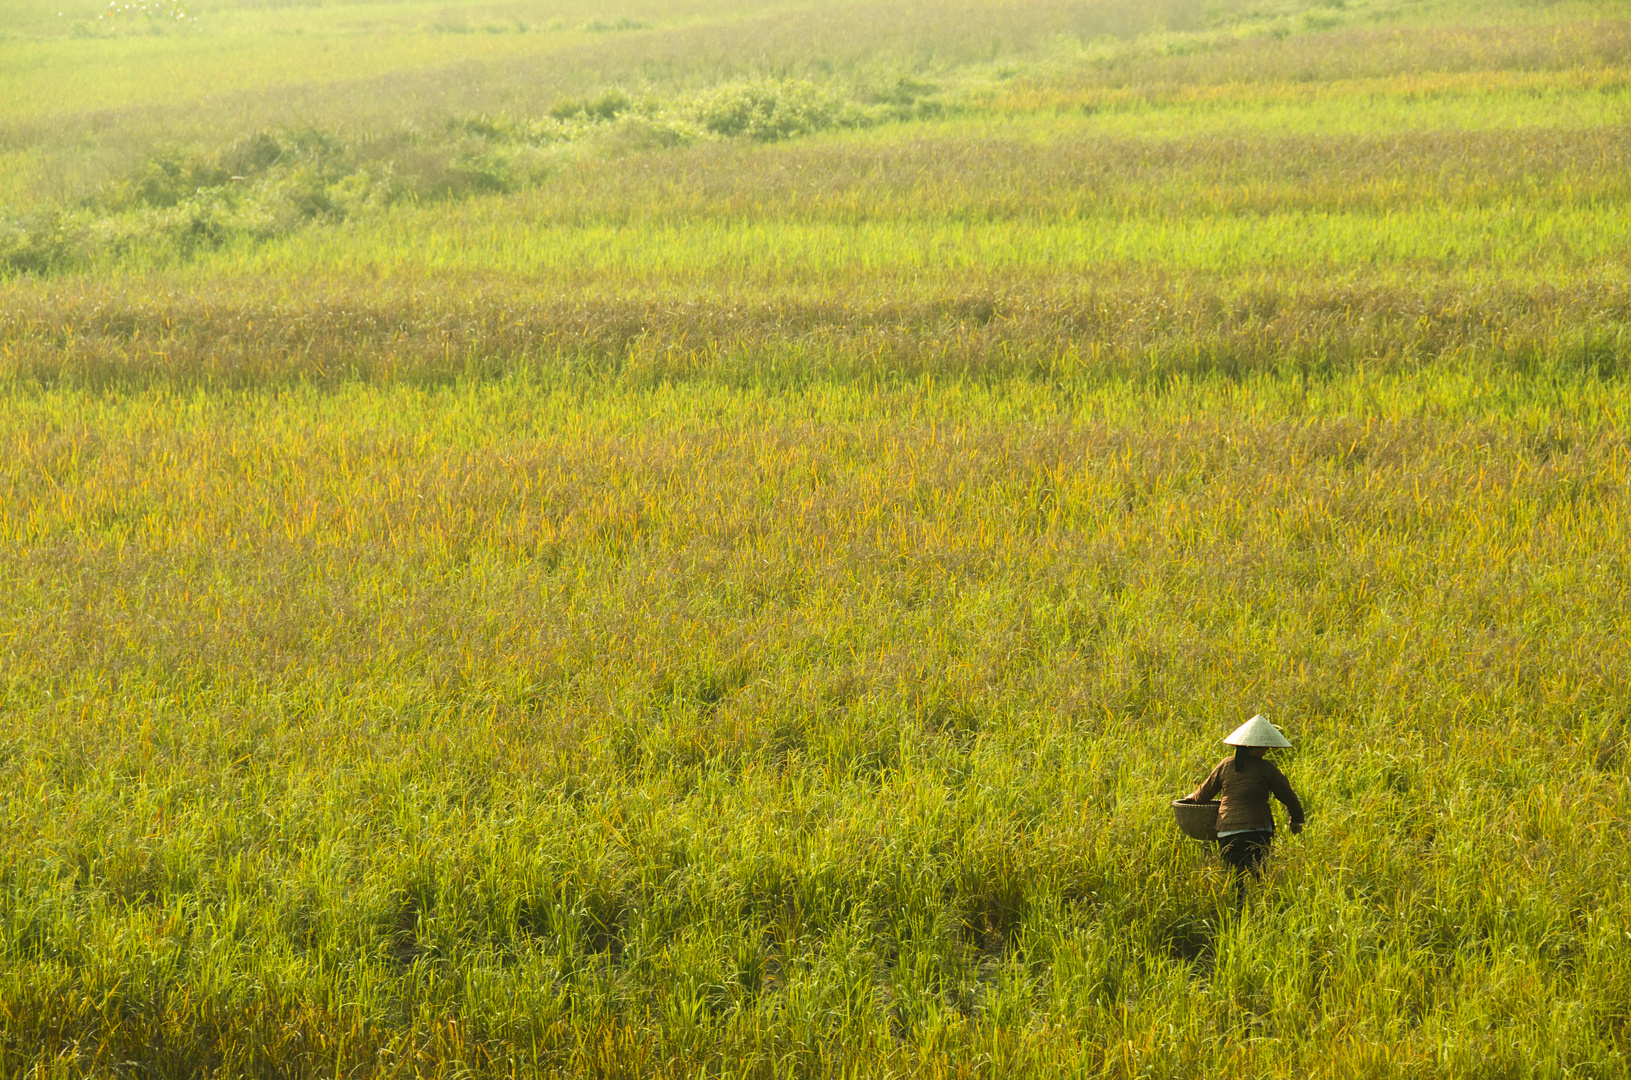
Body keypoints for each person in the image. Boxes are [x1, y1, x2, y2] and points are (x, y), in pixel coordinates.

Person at [1188, 714, 1305, 880]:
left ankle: (1238, 904)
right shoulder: (1267, 769)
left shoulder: (1225, 765)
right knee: (1258, 876)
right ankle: (1256, 903)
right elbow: (1289, 798)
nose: (1266, 749)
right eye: (1263, 746)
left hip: (1228, 830)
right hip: (1258, 831)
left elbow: (1202, 796)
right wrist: (1295, 820)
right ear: (1252, 747)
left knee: (1236, 878)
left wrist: (1190, 798)